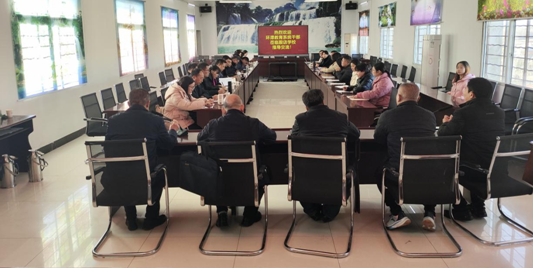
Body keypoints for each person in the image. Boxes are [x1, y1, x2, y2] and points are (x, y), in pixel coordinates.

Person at [105, 89, 179, 231]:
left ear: (128, 103)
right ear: (148, 103)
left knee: (126, 172)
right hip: (146, 174)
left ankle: (131, 218)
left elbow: (108, 147)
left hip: (118, 175)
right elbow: (168, 144)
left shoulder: (113, 121)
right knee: (159, 172)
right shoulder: (155, 120)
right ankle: (151, 218)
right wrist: (173, 130)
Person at [198, 94, 277, 227]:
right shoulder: (253, 123)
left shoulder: (213, 124)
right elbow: (272, 137)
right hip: (249, 176)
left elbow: (200, 139)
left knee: (217, 173)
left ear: (223, 109)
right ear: (242, 108)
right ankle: (249, 216)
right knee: (261, 175)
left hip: (220, 175)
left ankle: (222, 212)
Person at [438, 77, 505, 221]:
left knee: (443, 167)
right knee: (479, 153)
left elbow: (443, 134)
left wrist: (445, 123)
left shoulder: (464, 113)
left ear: (472, 94)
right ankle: (478, 206)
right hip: (497, 170)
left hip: (472, 170)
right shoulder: (500, 112)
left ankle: (460, 209)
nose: (464, 92)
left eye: (465, 90)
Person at [373, 84, 438, 231]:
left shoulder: (387, 116)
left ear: (399, 97)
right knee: (427, 170)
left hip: (399, 171)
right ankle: (429, 213)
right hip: (428, 170)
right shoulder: (430, 115)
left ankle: (397, 214)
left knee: (379, 172)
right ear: (418, 98)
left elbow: (378, 139)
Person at [291, 89, 360, 222]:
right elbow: (356, 134)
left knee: (300, 173)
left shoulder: (300, 119)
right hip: (336, 172)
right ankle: (330, 212)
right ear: (323, 101)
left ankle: (313, 211)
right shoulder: (340, 117)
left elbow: (293, 138)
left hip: (307, 171)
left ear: (306, 106)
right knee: (344, 173)